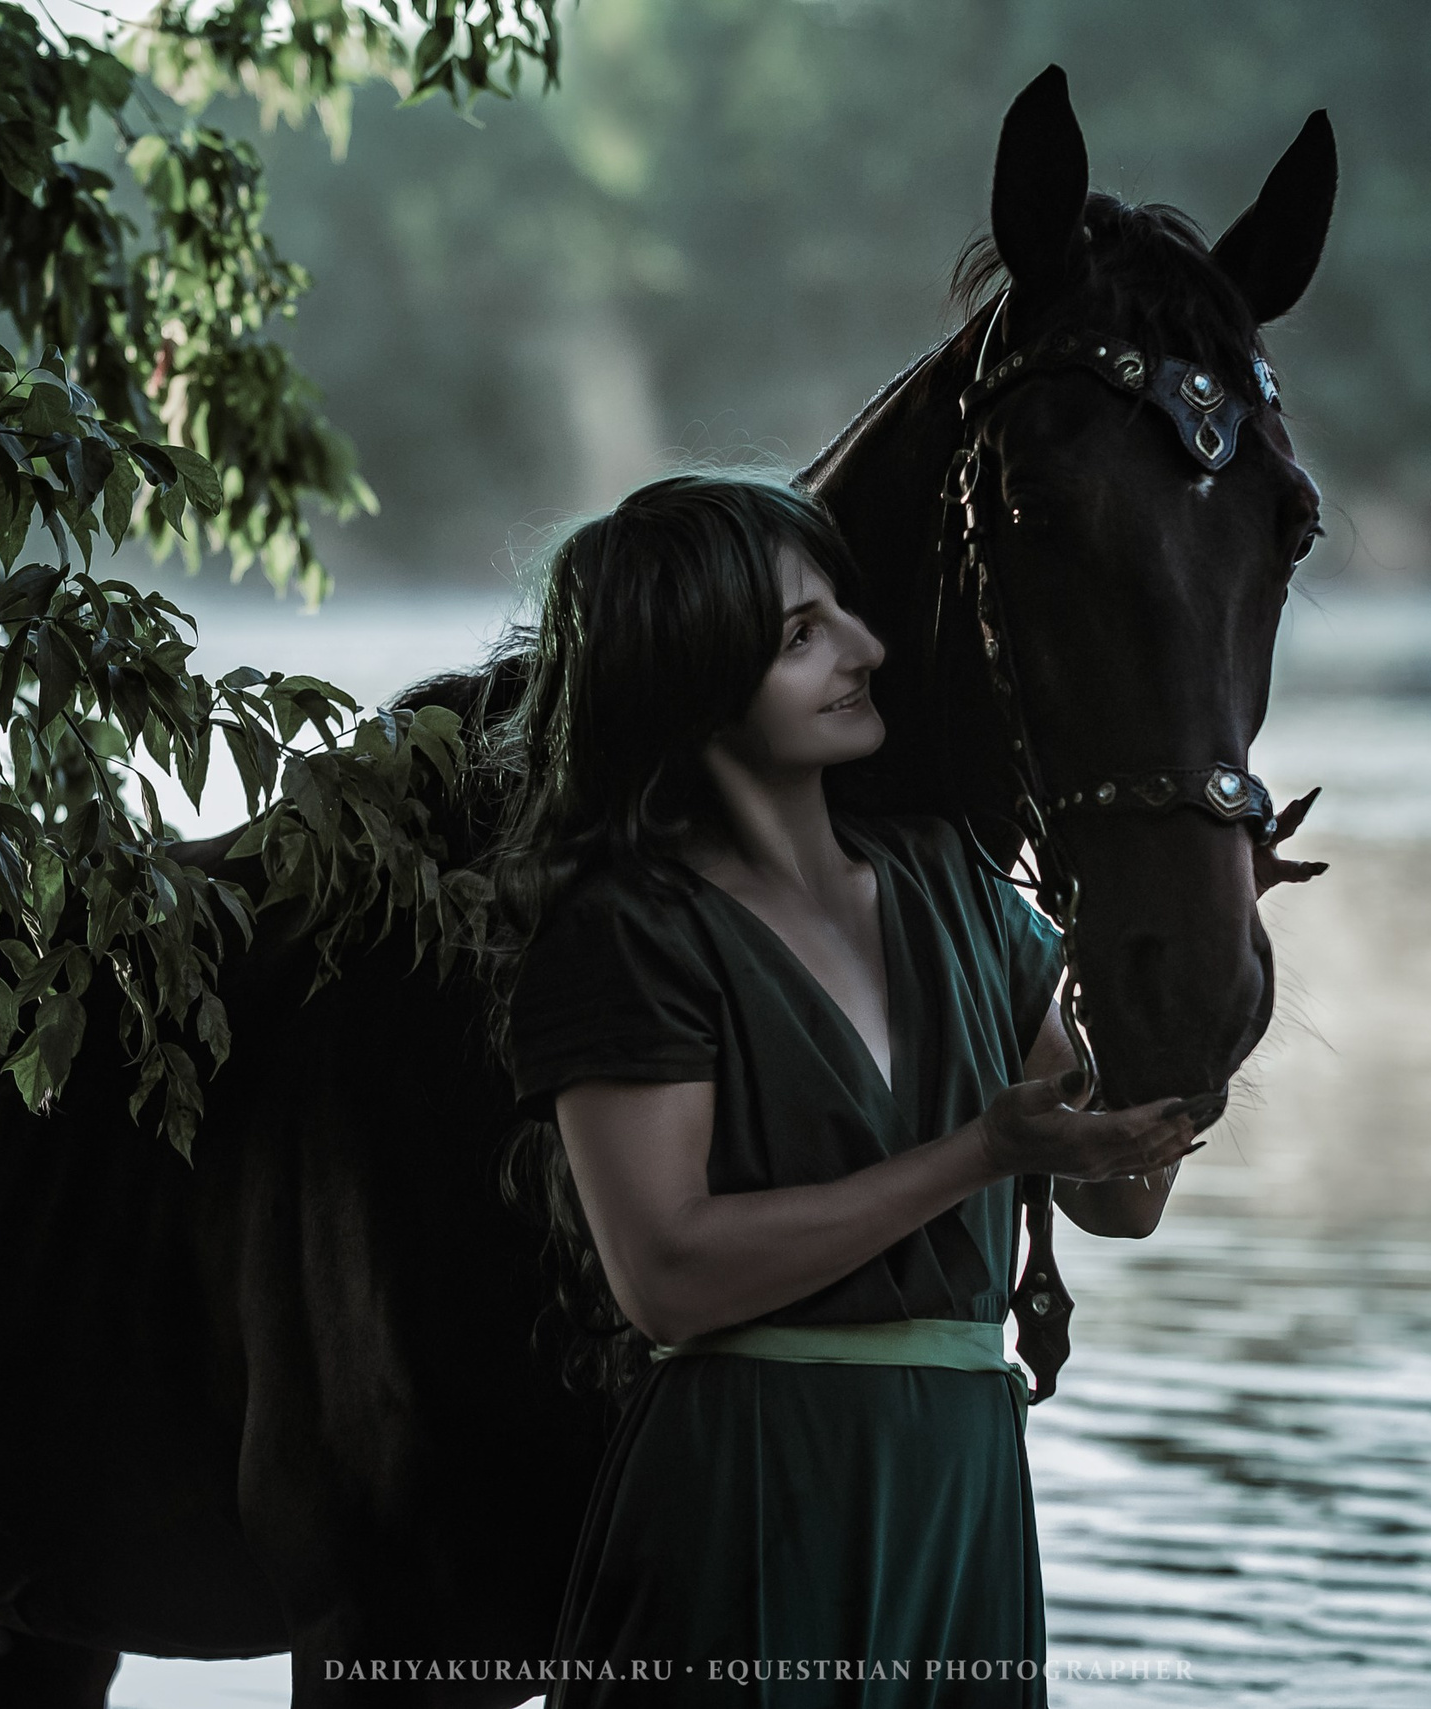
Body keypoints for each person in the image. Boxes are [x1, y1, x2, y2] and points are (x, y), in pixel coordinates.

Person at [478, 473, 1203, 1705]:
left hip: (962, 1494)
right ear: (690, 676)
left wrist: (1177, 1008)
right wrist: (980, 1154)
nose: (864, 649)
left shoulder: (956, 887)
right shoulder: (626, 933)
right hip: (752, 1496)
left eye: (845, 613)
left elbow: (1121, 1197)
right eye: (801, 636)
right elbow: (667, 1274)